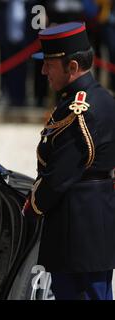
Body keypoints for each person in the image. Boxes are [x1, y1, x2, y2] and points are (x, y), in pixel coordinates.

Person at [23, 22, 115, 300]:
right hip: (91, 225)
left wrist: (31, 207)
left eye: (49, 65)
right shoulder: (103, 99)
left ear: (72, 67)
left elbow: (60, 175)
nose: (43, 71)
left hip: (78, 231)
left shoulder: (79, 109)